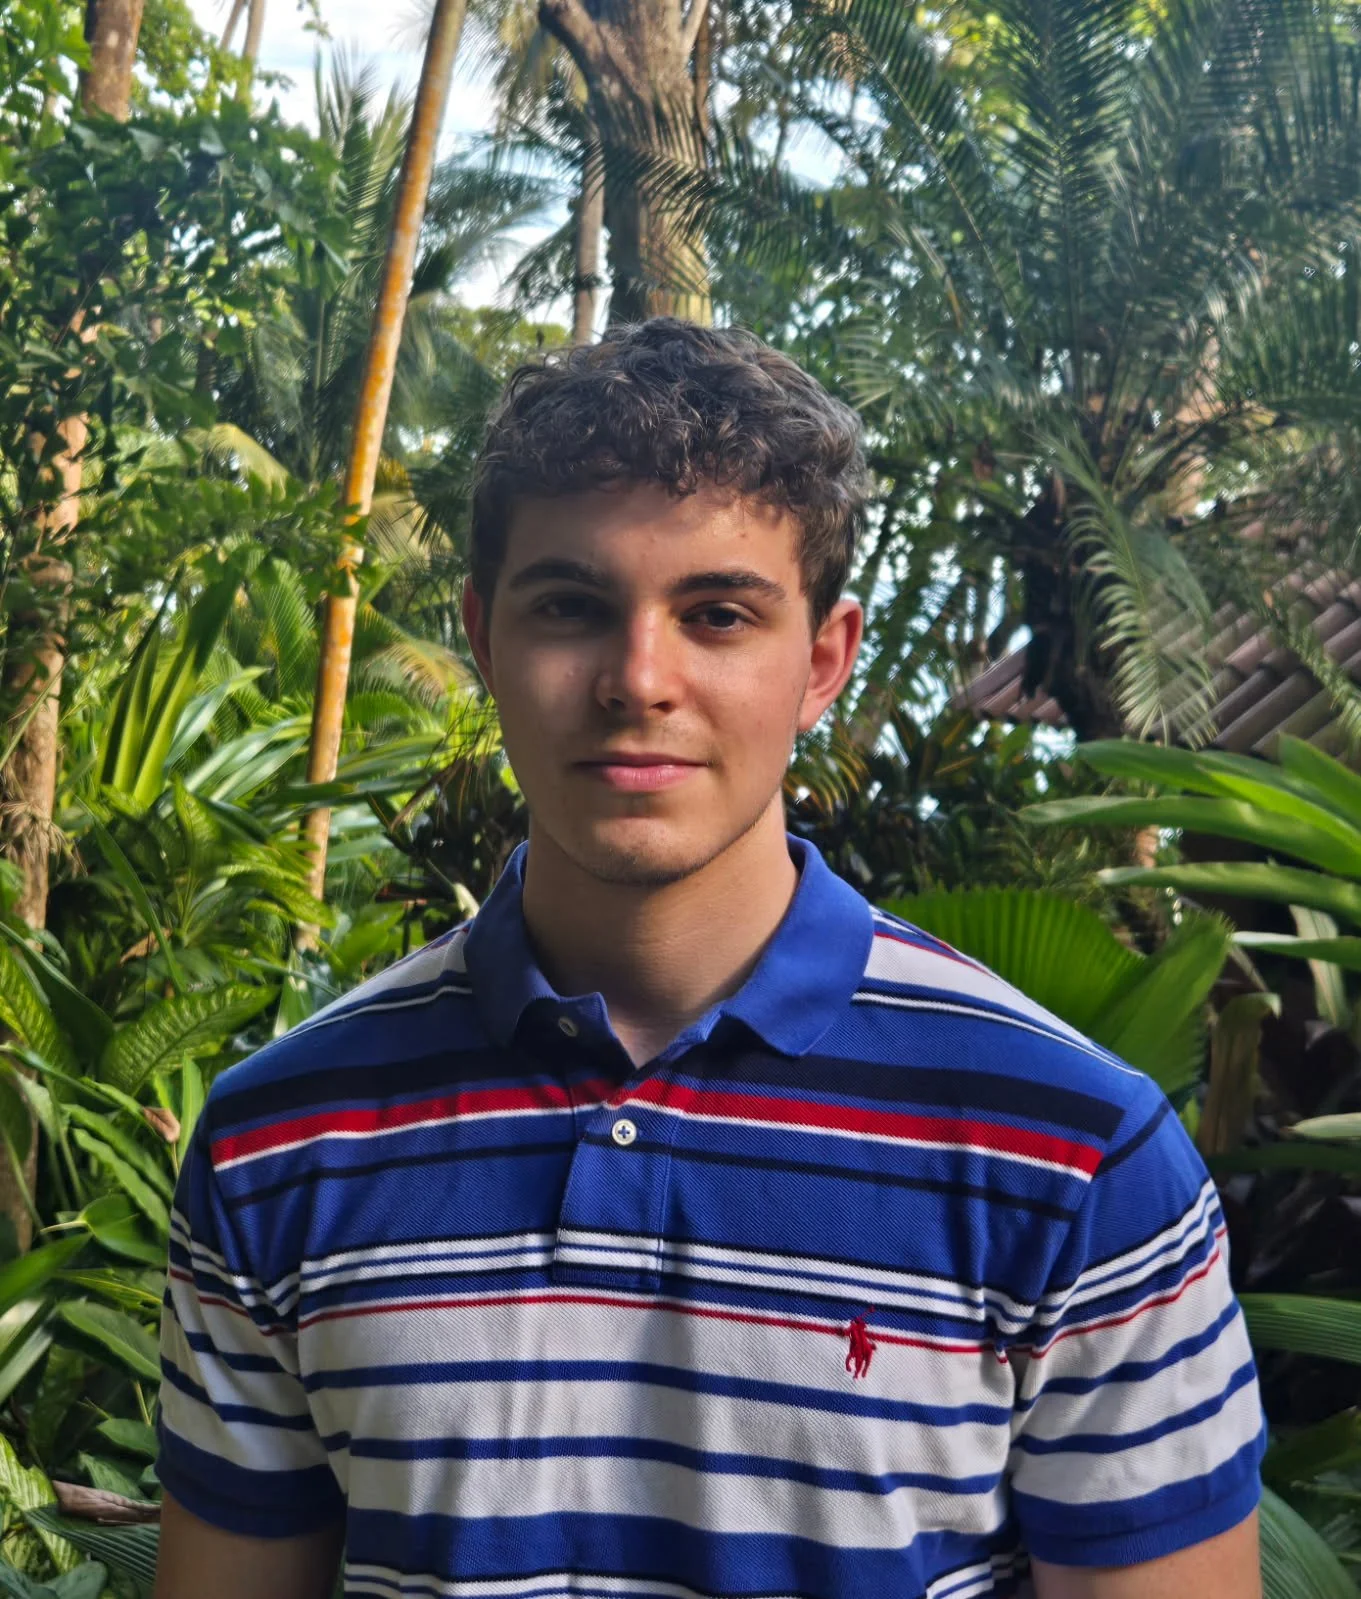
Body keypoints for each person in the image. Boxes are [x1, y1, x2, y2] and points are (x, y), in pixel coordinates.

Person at [153, 319, 1266, 1599]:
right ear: (482, 639)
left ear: (822, 662)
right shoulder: (277, 1142)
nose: (638, 680)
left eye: (718, 614)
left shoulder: (1070, 1157)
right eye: (570, 607)